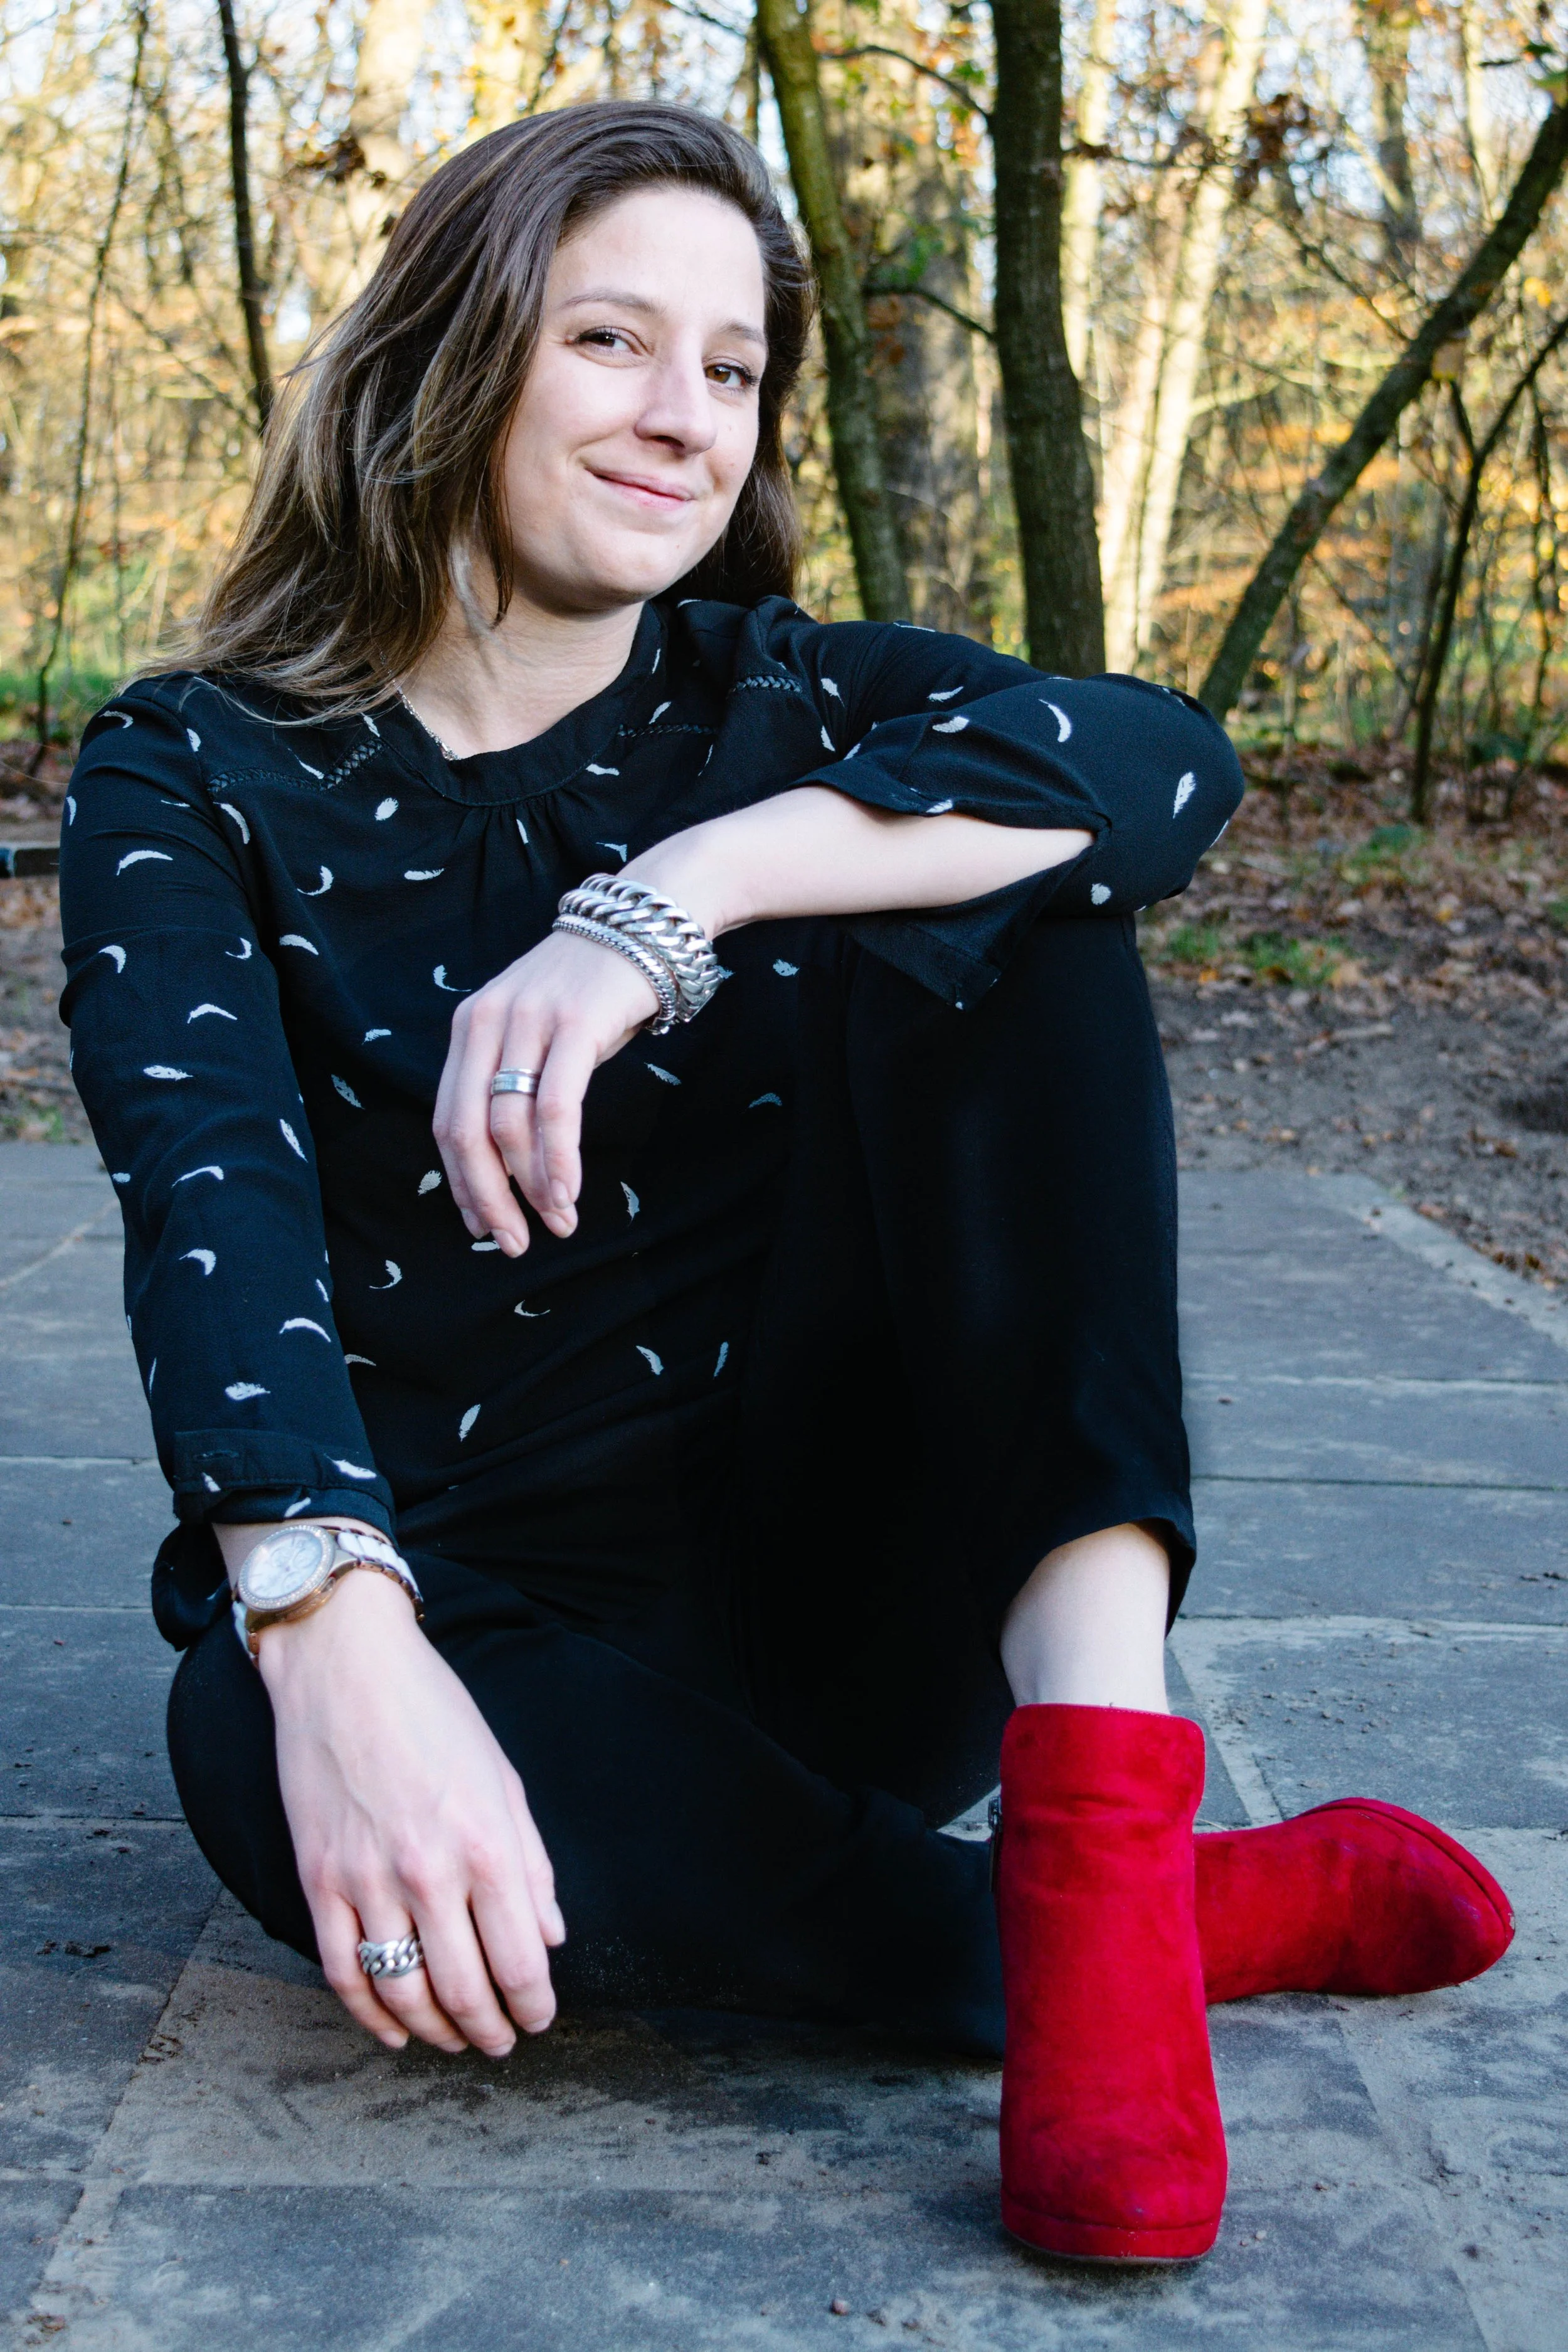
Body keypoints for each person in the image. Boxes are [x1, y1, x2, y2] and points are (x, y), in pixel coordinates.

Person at [60, 102, 1514, 2265]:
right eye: (612, 343)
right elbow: (211, 1199)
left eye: (730, 369)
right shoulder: (193, 763)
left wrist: (684, 892)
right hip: (506, 1619)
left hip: (868, 1568)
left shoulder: (807, 706)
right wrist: (326, 1633)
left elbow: (1165, 764)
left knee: (1028, 880)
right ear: (457, 356)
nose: (680, 420)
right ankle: (1099, 1924)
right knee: (246, 1729)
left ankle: (1098, 1791)